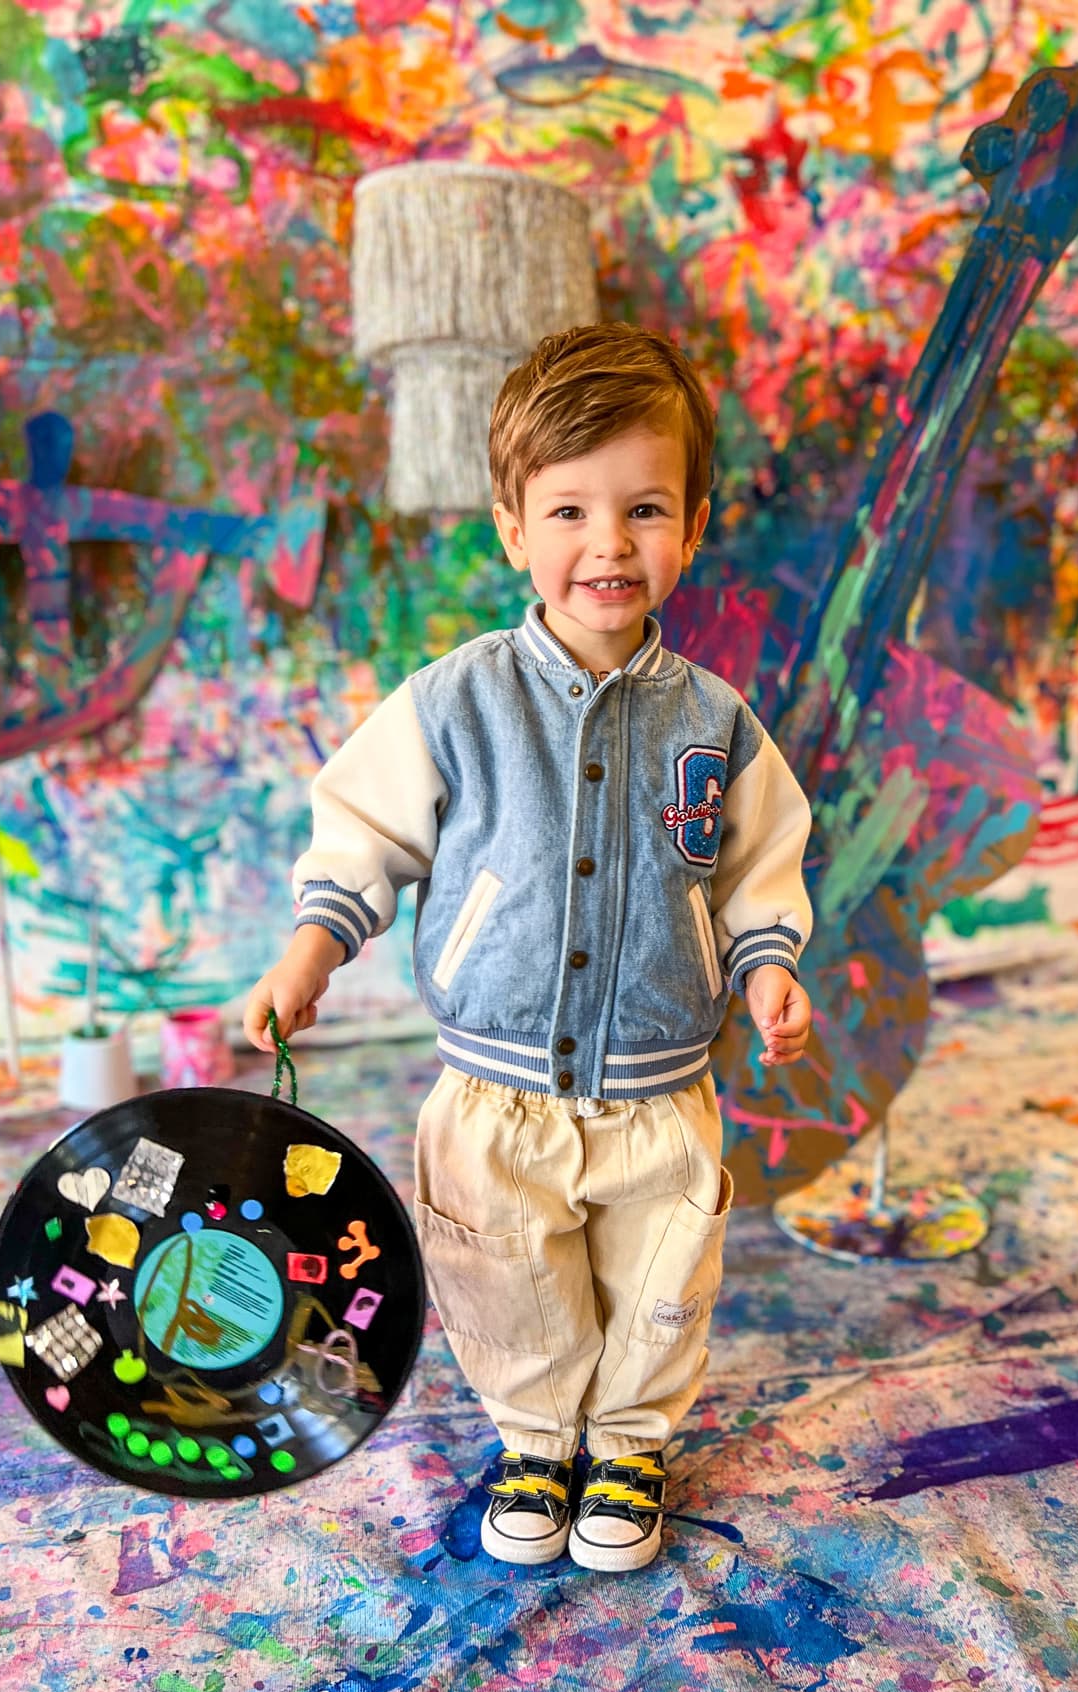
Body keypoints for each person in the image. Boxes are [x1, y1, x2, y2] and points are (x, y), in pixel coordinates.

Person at [242, 321, 814, 1573]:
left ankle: (628, 1444)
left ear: (692, 525)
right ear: (512, 529)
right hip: (493, 1090)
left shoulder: (716, 720)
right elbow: (366, 830)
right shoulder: (455, 702)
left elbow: (759, 862)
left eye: (644, 510)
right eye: (568, 512)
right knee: (507, 1275)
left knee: (659, 1277)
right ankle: (538, 1439)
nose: (608, 544)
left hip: (659, 1084)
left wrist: (769, 963)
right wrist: (311, 949)